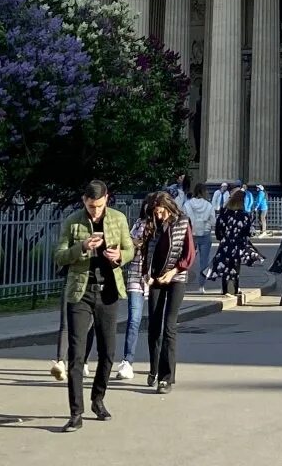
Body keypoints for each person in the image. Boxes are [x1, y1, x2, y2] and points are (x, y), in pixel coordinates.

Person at [53, 180, 134, 431]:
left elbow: (130, 248)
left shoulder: (118, 219)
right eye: (90, 206)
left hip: (108, 291)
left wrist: (119, 256)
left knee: (108, 352)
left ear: (106, 199)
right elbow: (59, 256)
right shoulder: (73, 221)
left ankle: (98, 398)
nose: (95, 211)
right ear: (83, 201)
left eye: (98, 206)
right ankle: (75, 413)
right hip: (81, 292)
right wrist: (82, 247)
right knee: (76, 355)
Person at [140, 190, 195, 393]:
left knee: (169, 325)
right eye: (156, 212)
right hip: (156, 278)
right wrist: (147, 273)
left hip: (176, 277)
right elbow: (146, 250)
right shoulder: (152, 224)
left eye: (161, 212)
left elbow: (189, 254)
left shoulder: (182, 222)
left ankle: (167, 377)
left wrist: (172, 272)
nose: (159, 215)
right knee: (154, 324)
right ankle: (154, 369)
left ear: (169, 208)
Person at [117, 206, 150, 382]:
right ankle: (127, 361)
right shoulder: (139, 224)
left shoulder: (165, 226)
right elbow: (127, 244)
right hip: (136, 275)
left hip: (156, 278)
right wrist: (134, 244)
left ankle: (157, 363)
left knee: (157, 322)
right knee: (134, 319)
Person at [213, 189, 255, 305]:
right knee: (235, 267)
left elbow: (218, 230)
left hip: (225, 244)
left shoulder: (223, 213)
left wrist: (222, 237)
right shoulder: (244, 216)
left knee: (225, 266)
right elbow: (248, 232)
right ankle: (235, 289)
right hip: (238, 244)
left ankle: (225, 289)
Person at [182, 189, 216, 291]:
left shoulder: (187, 204)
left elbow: (183, 218)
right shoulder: (209, 205)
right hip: (205, 234)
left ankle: (183, 279)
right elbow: (213, 221)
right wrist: (207, 225)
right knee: (204, 261)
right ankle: (201, 286)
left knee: (187, 257)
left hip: (191, 234)